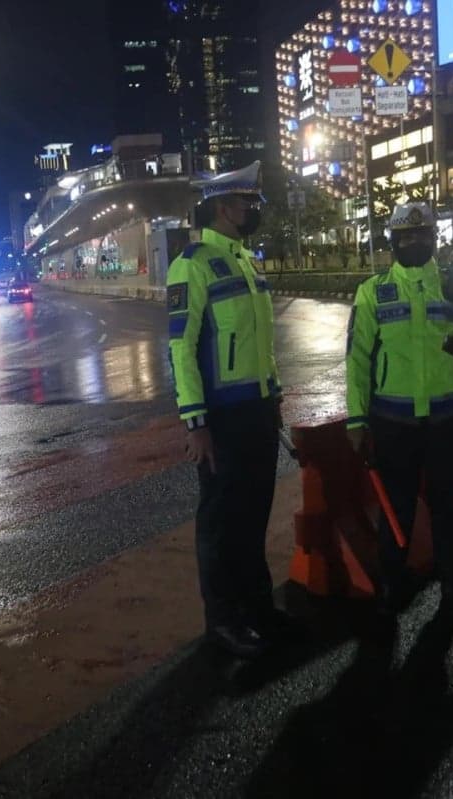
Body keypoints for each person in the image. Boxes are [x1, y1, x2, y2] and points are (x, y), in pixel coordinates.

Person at [167, 160, 293, 659]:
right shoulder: (192, 264)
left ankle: (258, 608)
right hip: (221, 418)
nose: (252, 211)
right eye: (248, 203)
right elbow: (181, 349)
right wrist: (195, 422)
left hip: (258, 410)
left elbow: (262, 342)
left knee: (254, 515)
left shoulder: (244, 260)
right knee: (222, 521)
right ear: (224, 207)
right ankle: (222, 621)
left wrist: (275, 395)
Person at [345, 202, 453, 621]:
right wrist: (356, 420)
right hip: (394, 422)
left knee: (450, 507)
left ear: (433, 239)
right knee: (398, 508)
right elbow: (357, 360)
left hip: (451, 416)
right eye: (404, 236)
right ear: (392, 241)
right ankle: (394, 585)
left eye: (420, 235)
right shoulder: (372, 291)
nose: (412, 242)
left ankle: (452, 586)